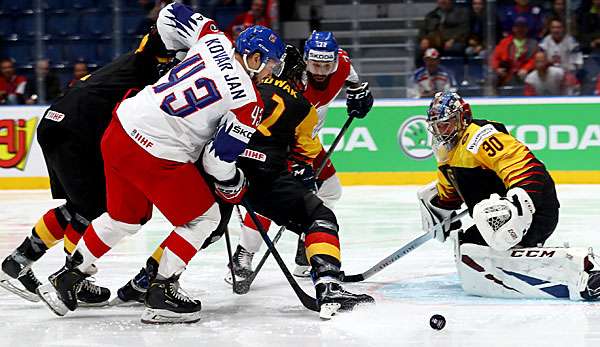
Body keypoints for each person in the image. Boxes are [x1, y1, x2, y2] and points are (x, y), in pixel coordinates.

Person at [37, 6, 285, 324]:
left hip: (119, 129)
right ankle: (162, 293)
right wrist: (233, 181)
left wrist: (170, 51)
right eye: (270, 65)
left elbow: (171, 12)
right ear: (255, 58)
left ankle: (66, 279)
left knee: (123, 218)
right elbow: (216, 161)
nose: (270, 73)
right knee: (204, 220)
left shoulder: (215, 40)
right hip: (155, 153)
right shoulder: (249, 103)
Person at [113, 45, 375, 319]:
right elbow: (305, 154)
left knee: (203, 228)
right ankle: (328, 285)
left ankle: (147, 279)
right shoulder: (303, 107)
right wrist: (300, 172)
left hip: (219, 168)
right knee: (318, 217)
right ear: (298, 77)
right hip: (265, 176)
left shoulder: (244, 88)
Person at [0, 19, 183, 305]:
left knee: (78, 206)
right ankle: (73, 276)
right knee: (93, 206)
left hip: (56, 122)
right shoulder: (149, 68)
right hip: (74, 131)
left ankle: (18, 262)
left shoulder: (136, 61)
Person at [418, 91, 600, 301]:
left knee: (490, 236)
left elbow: (526, 169)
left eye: (446, 124)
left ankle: (586, 271)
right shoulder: (445, 151)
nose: (441, 131)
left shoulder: (480, 137)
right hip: (498, 217)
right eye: (437, 125)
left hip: (535, 207)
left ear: (462, 118)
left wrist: (517, 203)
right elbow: (450, 192)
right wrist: (439, 209)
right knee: (469, 247)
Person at [232, 30, 373, 279]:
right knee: (270, 197)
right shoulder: (292, 77)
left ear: (336, 62)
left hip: (307, 140)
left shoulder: (342, 65)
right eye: (315, 64)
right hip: (278, 143)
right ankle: (245, 253)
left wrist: (358, 91)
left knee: (330, 189)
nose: (320, 71)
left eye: (326, 65)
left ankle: (308, 242)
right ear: (306, 60)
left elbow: (352, 78)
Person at [491, 17, 538, 87]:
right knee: (492, 78)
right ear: (513, 28)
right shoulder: (504, 42)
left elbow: (535, 59)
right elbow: (495, 58)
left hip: (525, 74)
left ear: (527, 29)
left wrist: (526, 68)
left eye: (523, 27)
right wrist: (497, 69)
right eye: (518, 27)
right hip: (507, 75)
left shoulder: (533, 44)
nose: (520, 29)